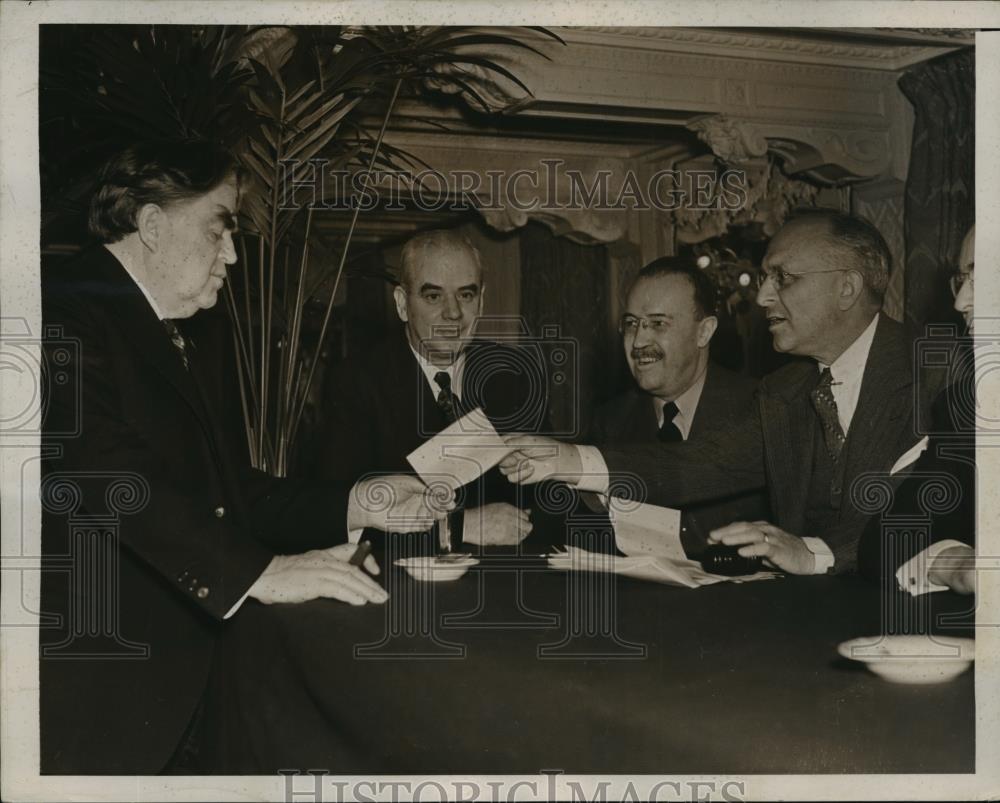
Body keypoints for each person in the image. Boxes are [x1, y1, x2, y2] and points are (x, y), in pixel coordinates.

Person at [40, 140, 452, 774]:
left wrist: (355, 501)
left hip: (181, 690)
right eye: (220, 227)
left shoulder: (181, 330)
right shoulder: (60, 308)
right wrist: (260, 574)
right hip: (96, 691)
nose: (232, 253)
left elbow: (229, 490)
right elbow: (105, 473)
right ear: (152, 226)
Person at [501, 209, 933, 576]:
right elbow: (701, 464)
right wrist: (569, 460)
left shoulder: (940, 377)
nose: (763, 296)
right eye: (764, 278)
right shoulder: (785, 391)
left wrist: (815, 553)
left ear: (847, 287)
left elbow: (932, 521)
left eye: (782, 278)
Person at [319, 229, 554, 553]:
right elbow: (340, 521)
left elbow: (555, 505)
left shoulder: (512, 376)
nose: (453, 312)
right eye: (433, 296)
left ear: (482, 300)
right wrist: (460, 527)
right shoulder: (357, 382)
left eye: (466, 295)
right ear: (402, 304)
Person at [586, 257, 768, 556]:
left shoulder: (760, 407)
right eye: (631, 324)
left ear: (704, 332)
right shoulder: (610, 422)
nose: (638, 341)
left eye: (658, 324)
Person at [857, 224, 976, 595]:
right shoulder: (966, 406)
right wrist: (956, 564)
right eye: (963, 279)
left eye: (985, 277)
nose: (961, 302)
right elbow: (883, 544)